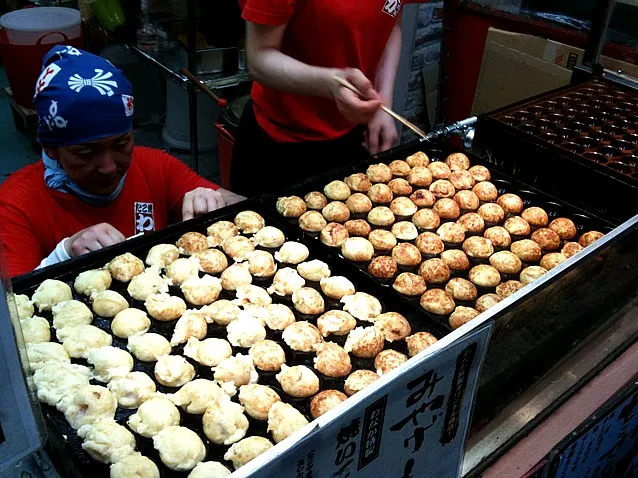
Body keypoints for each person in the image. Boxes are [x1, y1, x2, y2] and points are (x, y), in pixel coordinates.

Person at [0, 46, 243, 277]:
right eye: (86, 152)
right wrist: (62, 255)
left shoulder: (153, 165)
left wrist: (219, 201)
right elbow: (10, 312)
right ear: (51, 149)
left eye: (120, 144)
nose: (108, 166)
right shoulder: (16, 204)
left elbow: (246, 207)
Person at [230, 0, 412, 196]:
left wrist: (383, 102)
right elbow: (259, 58)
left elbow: (391, 19)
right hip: (281, 143)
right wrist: (329, 83)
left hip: (354, 132)